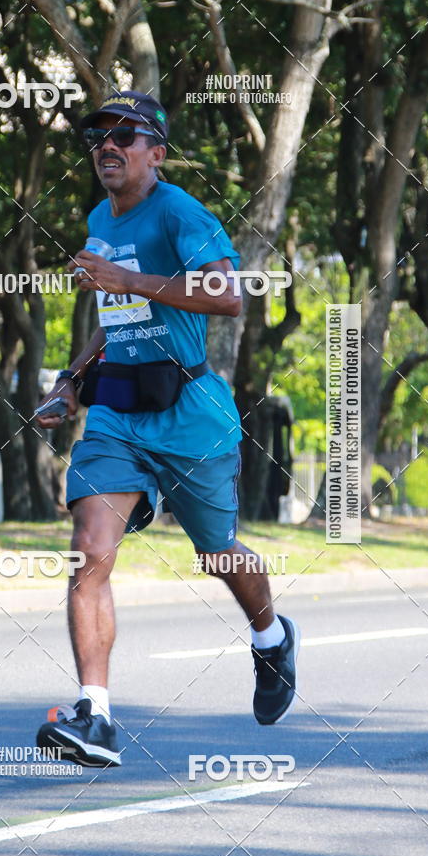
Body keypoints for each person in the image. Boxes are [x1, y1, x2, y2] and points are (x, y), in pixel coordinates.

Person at [35, 90, 300, 767]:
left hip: (190, 418)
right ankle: (95, 714)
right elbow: (116, 318)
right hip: (118, 417)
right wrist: (71, 382)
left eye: (125, 136)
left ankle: (271, 638)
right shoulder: (99, 217)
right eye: (99, 137)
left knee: (219, 555)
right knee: (89, 548)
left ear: (156, 153)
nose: (108, 146)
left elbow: (228, 297)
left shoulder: (181, 213)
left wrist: (128, 277)